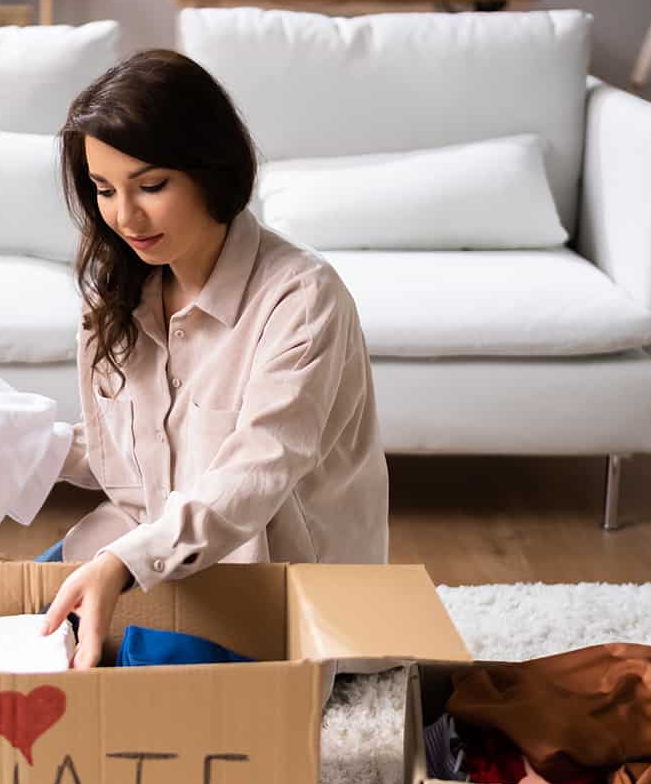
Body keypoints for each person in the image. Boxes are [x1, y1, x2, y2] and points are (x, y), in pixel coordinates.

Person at [38, 49, 389, 668]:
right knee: (21, 617)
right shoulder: (119, 295)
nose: (124, 216)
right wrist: (6, 440)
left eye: (151, 186)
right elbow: (131, 457)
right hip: (158, 552)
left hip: (275, 588)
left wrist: (123, 564)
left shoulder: (302, 298)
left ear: (211, 171)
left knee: (119, 667)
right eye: (104, 190)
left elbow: (255, 473)